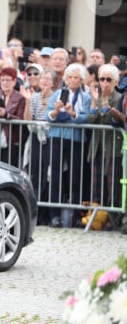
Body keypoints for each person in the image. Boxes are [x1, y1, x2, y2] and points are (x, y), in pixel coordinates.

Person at [46, 63, 90, 228]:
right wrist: (56, 111)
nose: (72, 80)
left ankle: (76, 215)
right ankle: (54, 215)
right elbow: (48, 115)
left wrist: (72, 114)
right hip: (58, 136)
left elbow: (86, 118)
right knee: (56, 175)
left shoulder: (85, 97)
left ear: (81, 80)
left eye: (76, 78)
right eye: (70, 77)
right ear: (66, 79)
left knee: (76, 176)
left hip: (77, 138)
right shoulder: (58, 94)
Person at [86, 64, 123, 211]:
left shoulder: (119, 98)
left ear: (116, 82)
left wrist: (103, 103)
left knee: (112, 184)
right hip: (97, 147)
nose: (105, 83)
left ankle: (111, 217)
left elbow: (109, 120)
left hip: (113, 148)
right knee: (96, 185)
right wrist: (95, 102)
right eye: (102, 79)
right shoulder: (94, 97)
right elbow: (90, 120)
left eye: (109, 79)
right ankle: (95, 215)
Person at [23, 68, 57, 224]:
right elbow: (28, 119)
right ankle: (34, 212)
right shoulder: (34, 97)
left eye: (48, 79)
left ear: (54, 83)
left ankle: (44, 214)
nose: (44, 81)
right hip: (36, 137)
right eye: (43, 78)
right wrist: (29, 100)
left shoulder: (55, 97)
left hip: (50, 138)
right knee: (35, 174)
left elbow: (50, 118)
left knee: (47, 176)